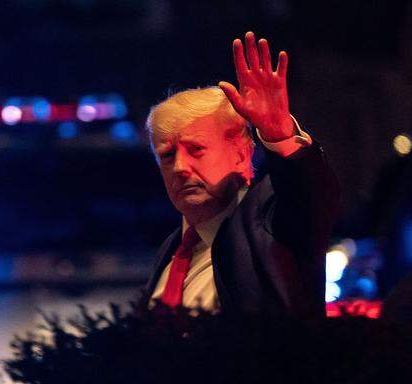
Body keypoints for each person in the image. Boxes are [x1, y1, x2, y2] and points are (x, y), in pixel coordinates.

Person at [144, 31, 340, 319]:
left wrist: (279, 132)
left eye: (196, 149)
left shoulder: (272, 221)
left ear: (240, 154)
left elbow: (313, 194)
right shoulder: (171, 250)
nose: (180, 167)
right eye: (167, 155)